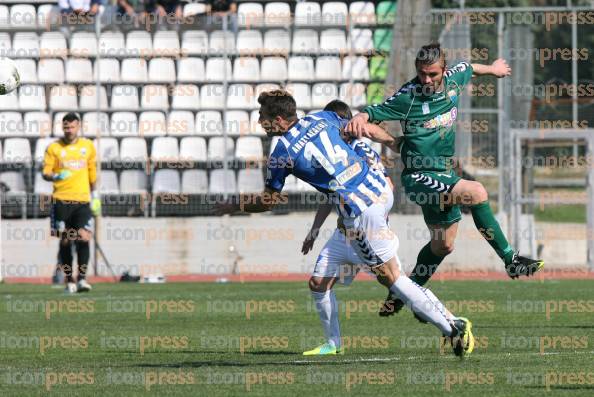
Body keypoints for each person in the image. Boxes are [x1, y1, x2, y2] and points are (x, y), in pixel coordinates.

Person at [217, 90, 475, 357]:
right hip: (376, 192)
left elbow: (269, 201)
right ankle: (334, 343)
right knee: (325, 281)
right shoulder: (323, 118)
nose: (260, 123)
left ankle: (453, 326)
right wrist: (395, 143)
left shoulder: (282, 152)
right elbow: (360, 128)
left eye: (262, 117)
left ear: (279, 119)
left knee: (391, 277)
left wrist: (235, 205)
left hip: (361, 209)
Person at [346, 43, 544, 317]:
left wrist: (495, 70)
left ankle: (403, 294)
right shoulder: (409, 95)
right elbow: (374, 113)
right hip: (419, 177)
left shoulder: (455, 79)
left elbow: (472, 67)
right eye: (422, 73)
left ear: (444, 71)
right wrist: (361, 118)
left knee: (443, 245)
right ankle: (511, 260)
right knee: (476, 192)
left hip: (444, 174)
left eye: (432, 75)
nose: (426, 80)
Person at [42, 113, 101, 294]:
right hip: (61, 199)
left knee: (84, 237)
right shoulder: (54, 148)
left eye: (72, 127)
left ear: (78, 126)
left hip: (82, 200)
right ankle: (69, 281)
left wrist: (95, 196)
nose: (69, 130)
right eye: (66, 127)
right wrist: (56, 175)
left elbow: (92, 172)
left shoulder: (88, 147)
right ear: (62, 127)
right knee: (66, 240)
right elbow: (46, 172)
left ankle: (82, 279)